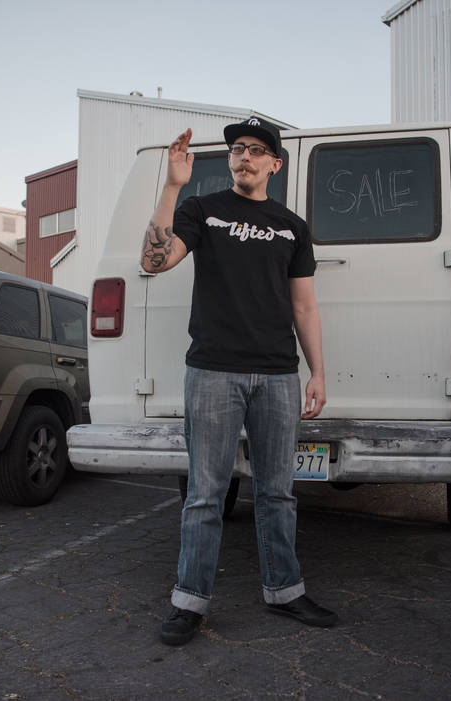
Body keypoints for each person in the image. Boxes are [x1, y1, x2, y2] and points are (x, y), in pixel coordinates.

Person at [141, 117, 337, 646]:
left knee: (278, 492)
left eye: (255, 149)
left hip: (278, 375)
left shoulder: (291, 226)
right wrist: (172, 185)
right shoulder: (201, 210)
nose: (244, 156)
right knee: (205, 494)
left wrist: (318, 372)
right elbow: (154, 261)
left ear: (275, 163)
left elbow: (304, 305)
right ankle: (189, 601)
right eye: (236, 149)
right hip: (213, 370)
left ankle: (285, 591)